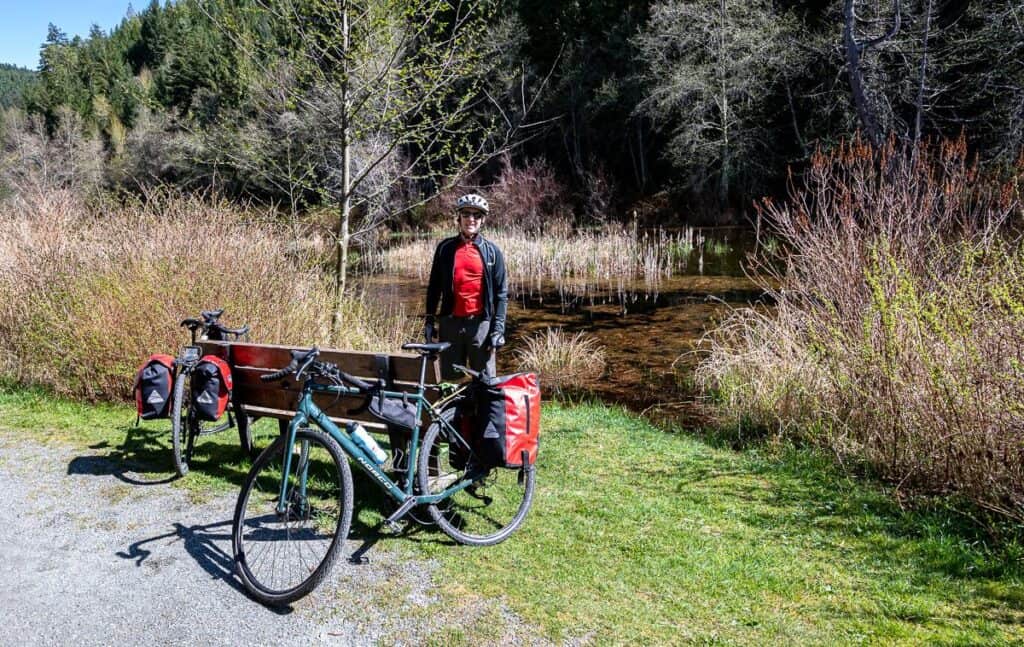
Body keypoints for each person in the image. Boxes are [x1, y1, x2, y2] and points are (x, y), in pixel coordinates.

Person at [424, 193, 508, 379]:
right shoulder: (445, 248)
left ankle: (483, 408)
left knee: (486, 382)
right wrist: (429, 320)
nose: (471, 219)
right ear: (459, 217)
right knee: (450, 382)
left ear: (483, 220)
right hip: (450, 324)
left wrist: (498, 329)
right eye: (466, 214)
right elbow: (434, 287)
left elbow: (501, 294)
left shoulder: (492, 252)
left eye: (477, 215)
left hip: (480, 325)